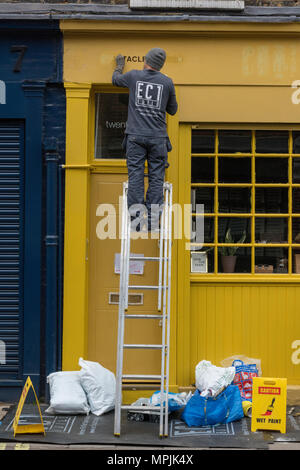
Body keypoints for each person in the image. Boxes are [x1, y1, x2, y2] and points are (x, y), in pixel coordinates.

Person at [112, 48, 178, 231]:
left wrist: (119, 66)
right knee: (157, 178)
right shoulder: (167, 82)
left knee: (136, 176)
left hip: (135, 137)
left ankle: (135, 221)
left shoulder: (133, 76)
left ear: (146, 61)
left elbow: (115, 80)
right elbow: (173, 110)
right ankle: (152, 222)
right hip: (158, 138)